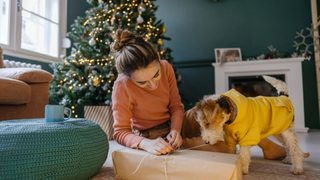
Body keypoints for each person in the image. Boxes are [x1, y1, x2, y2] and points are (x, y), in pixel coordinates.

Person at [111, 29, 309, 159]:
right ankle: (182, 147)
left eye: (155, 76)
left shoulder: (166, 67)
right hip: (151, 133)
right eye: (143, 82)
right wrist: (146, 143)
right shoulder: (122, 86)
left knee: (219, 109)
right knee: (228, 149)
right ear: (127, 77)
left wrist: (176, 129)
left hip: (176, 120)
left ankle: (268, 146)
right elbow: (120, 132)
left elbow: (175, 107)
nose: (153, 84)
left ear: (159, 58)